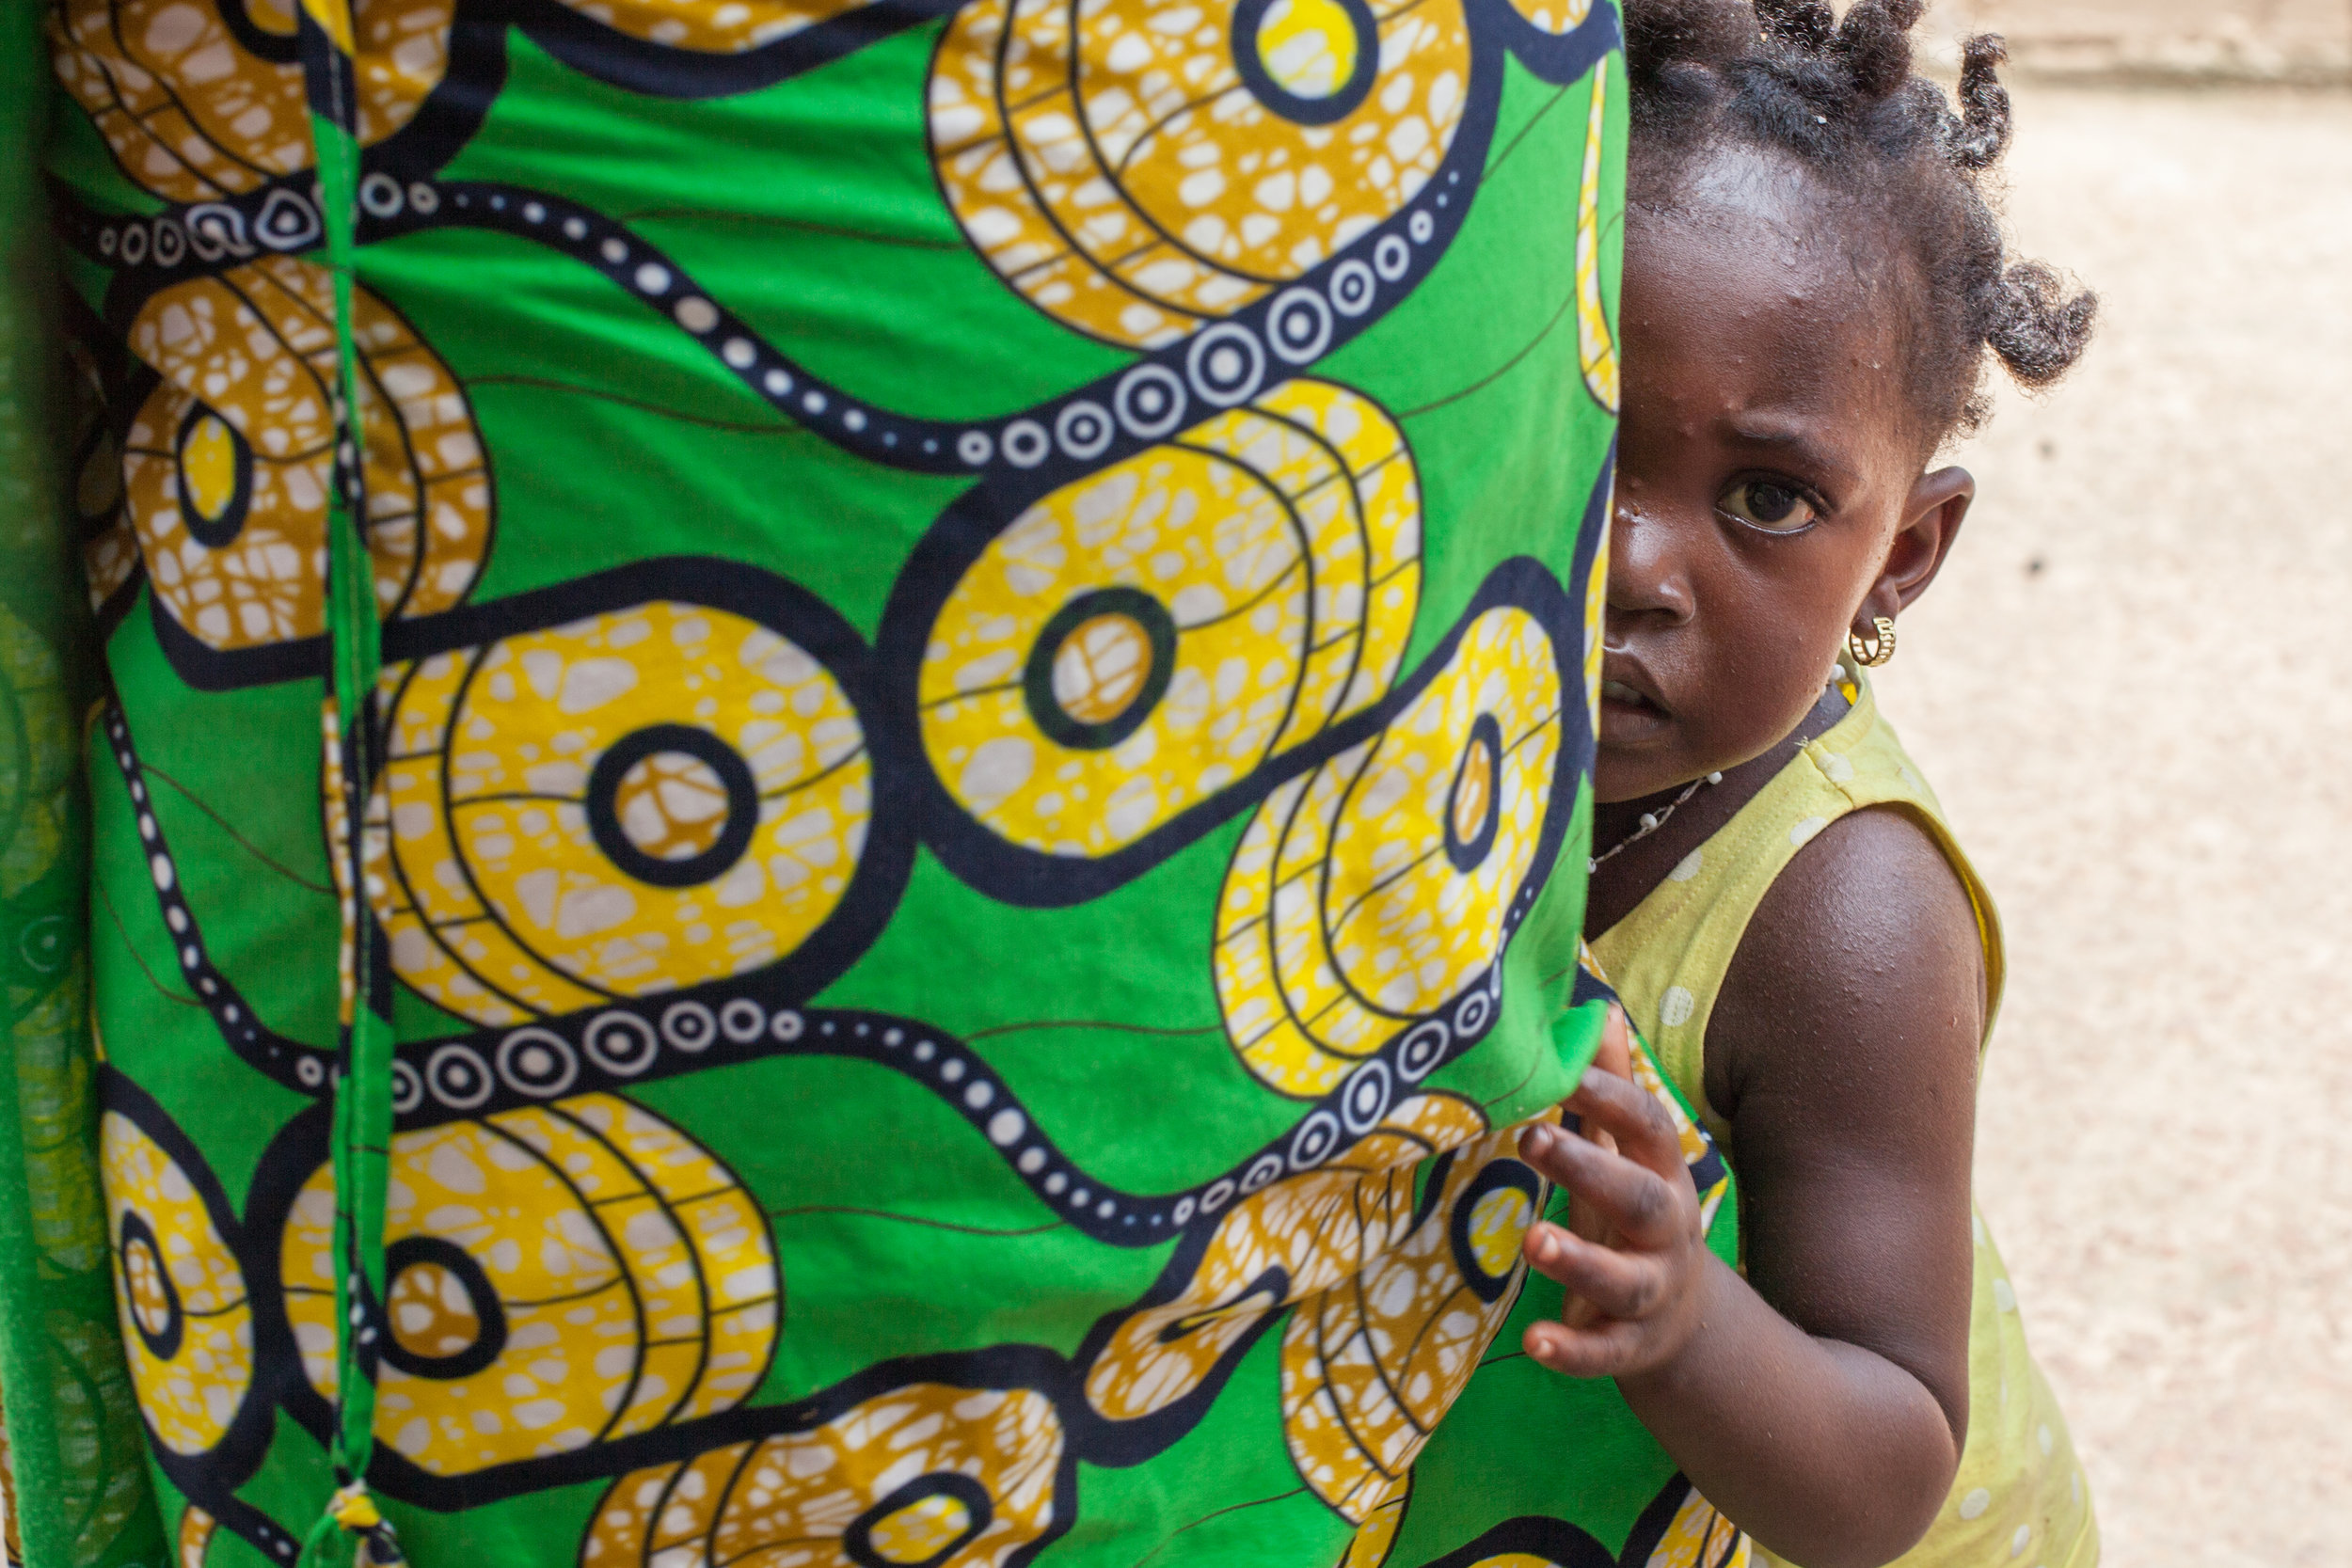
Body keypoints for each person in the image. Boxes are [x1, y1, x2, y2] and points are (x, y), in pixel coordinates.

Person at [1506, 4, 2100, 1567]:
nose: (1632, 566)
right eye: (1584, 443)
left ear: (1903, 556)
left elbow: (1888, 1457)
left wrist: (1690, 1318)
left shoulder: (1845, 917)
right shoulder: (1470, 723)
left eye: (1767, 498)